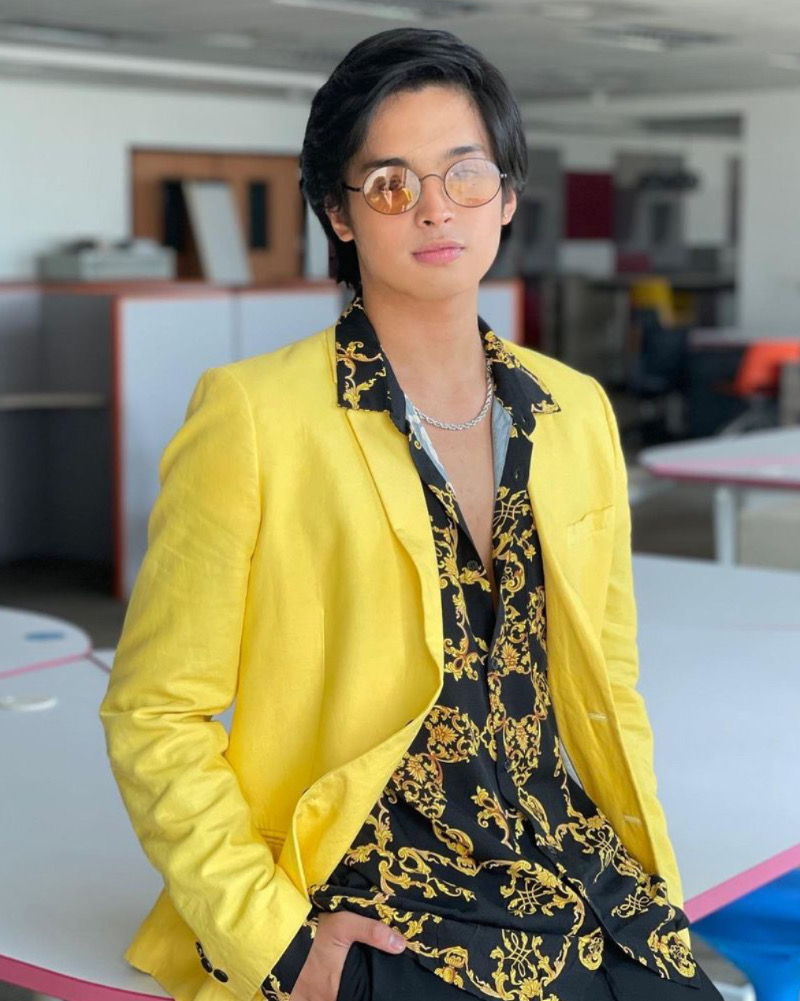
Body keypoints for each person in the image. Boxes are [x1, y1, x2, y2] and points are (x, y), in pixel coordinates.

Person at [99, 26, 725, 1001]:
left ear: (506, 196)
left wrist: (654, 881)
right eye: (389, 182)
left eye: (464, 174)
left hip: (581, 881)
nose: (433, 206)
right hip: (381, 908)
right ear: (338, 213)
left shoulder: (573, 411)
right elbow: (154, 711)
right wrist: (274, 943)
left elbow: (611, 681)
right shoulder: (255, 414)